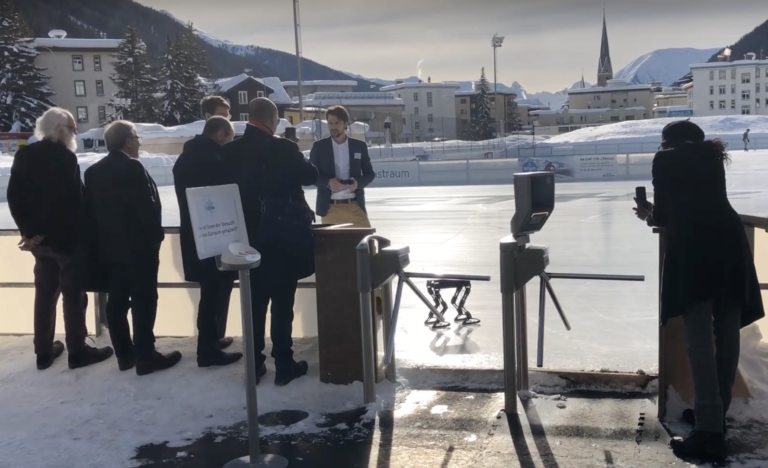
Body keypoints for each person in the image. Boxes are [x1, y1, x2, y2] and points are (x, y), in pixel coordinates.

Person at [633, 120, 764, 462]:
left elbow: (665, 214)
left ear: (668, 142)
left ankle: (708, 434)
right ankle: (714, 417)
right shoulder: (711, 157)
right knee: (727, 336)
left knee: (700, 341)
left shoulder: (665, 159)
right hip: (731, 248)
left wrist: (647, 214)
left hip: (695, 254)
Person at [7, 107, 114, 371]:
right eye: (72, 128)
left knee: (45, 295)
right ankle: (77, 352)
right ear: (59, 130)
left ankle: (43, 352)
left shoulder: (24, 155)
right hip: (66, 240)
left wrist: (30, 233)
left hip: (39, 244)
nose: (75, 133)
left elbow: (14, 197)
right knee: (73, 296)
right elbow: (68, 203)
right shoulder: (65, 158)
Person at [222, 98, 318, 386]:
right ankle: (284, 364)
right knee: (282, 304)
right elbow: (310, 175)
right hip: (283, 238)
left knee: (254, 305)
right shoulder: (284, 148)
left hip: (245, 241)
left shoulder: (230, 151)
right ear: (273, 120)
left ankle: (254, 365)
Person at [83, 120, 182, 376]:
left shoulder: (92, 172)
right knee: (144, 300)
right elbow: (146, 208)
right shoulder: (132, 167)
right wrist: (156, 238)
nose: (139, 143)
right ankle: (146, 355)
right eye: (137, 138)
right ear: (127, 141)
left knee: (116, 301)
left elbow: (90, 214)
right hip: (139, 249)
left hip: (109, 250)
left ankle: (125, 355)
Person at [173, 116, 242, 367]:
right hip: (215, 234)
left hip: (193, 234)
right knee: (213, 292)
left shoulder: (184, 158)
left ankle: (211, 340)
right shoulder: (214, 160)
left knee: (209, 290)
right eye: (229, 139)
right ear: (220, 134)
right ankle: (207, 350)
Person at [309, 105, 376, 227]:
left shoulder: (359, 146)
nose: (333, 127)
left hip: (355, 206)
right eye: (330, 123)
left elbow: (370, 174)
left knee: (366, 239)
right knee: (332, 241)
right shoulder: (319, 147)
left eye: (337, 123)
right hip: (330, 208)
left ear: (345, 123)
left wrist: (357, 184)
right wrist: (328, 182)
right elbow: (310, 175)